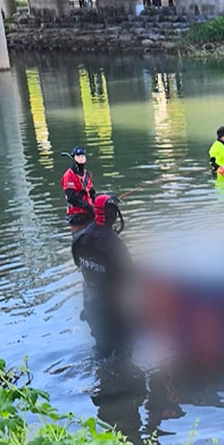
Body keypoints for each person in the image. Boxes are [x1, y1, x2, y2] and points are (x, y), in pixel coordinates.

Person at [73, 194, 133, 358]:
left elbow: (79, 264)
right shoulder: (115, 245)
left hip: (91, 305)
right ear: (112, 216)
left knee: (102, 348)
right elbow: (129, 278)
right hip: (113, 309)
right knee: (123, 353)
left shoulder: (80, 238)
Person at [61, 146, 96, 230]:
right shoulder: (69, 175)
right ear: (73, 158)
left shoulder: (87, 174)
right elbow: (71, 198)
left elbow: (92, 193)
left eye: (83, 156)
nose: (81, 158)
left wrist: (98, 206)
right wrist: (88, 207)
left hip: (89, 213)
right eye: (78, 156)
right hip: (76, 215)